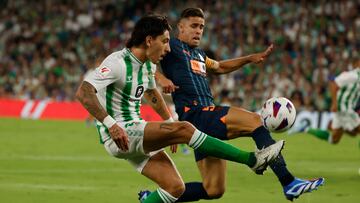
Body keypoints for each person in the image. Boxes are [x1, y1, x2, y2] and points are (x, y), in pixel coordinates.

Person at [76, 14, 285, 203]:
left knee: (175, 188)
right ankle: (253, 160)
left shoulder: (147, 65)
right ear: (149, 40)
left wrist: (168, 122)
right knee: (185, 129)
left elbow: (151, 93)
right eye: (165, 41)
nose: (168, 48)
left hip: (135, 130)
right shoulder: (117, 63)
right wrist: (111, 125)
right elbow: (84, 92)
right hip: (119, 131)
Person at [144, 8, 324, 202]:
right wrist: (161, 78)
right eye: (194, 26)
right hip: (197, 114)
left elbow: (220, 67)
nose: (198, 31)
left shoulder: (199, 55)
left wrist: (248, 59)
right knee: (256, 120)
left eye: (201, 27)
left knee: (214, 189)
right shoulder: (170, 46)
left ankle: (153, 198)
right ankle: (289, 182)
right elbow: (144, 60)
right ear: (181, 27)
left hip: (202, 123)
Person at [289, 59, 360, 144]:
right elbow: (333, 83)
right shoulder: (352, 75)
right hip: (344, 109)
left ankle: (305, 128)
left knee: (333, 140)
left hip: (345, 109)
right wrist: (334, 104)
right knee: (356, 131)